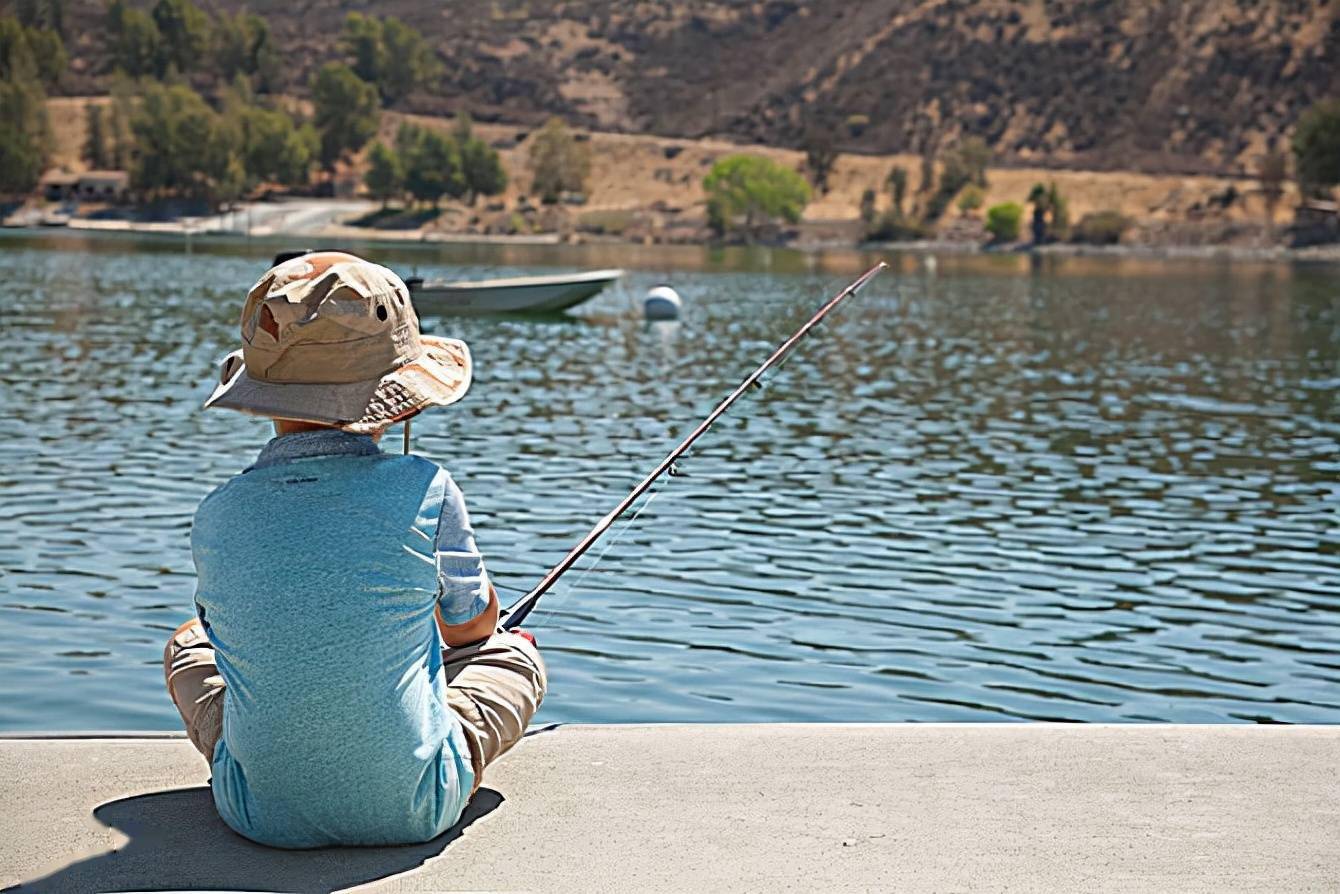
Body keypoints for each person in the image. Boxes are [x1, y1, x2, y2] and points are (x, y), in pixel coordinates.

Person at [163, 251, 545, 848]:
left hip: (256, 815)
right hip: (419, 809)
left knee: (187, 645)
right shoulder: (428, 487)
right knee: (516, 657)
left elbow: (224, 636)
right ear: (402, 400)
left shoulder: (218, 511)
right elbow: (471, 633)